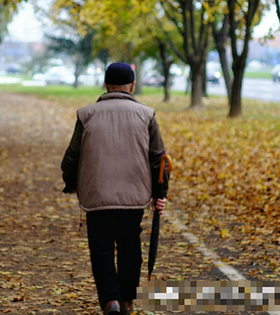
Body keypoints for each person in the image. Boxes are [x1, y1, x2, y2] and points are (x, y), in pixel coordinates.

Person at [60, 62, 169, 315]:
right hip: (133, 196)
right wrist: (160, 194)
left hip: (96, 196)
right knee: (130, 246)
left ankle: (111, 301)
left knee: (101, 249)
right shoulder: (147, 114)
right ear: (132, 85)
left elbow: (71, 158)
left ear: (106, 85)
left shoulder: (86, 114)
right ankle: (128, 299)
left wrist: (71, 184)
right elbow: (160, 159)